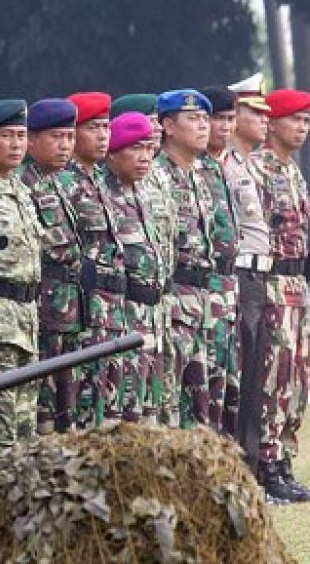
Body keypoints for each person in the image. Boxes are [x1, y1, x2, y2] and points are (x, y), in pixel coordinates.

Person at [251, 88, 310, 503]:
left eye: (306, 122)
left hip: (297, 284)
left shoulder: (292, 170)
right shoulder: (260, 170)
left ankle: (284, 460)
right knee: (273, 375)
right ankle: (266, 464)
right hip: (272, 284)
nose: (303, 129)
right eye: (296, 120)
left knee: (297, 377)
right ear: (272, 123)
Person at [0, 99, 42, 450]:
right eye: (7, 135)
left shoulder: (22, 189)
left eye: (21, 135)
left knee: (24, 428)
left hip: (27, 320)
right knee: (1, 429)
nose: (17, 144)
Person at [150, 89, 216, 431]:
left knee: (202, 404)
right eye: (193, 119)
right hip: (174, 302)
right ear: (168, 127)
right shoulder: (157, 176)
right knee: (170, 402)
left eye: (205, 119)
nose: (203, 126)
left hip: (202, 304)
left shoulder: (200, 176)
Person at [18, 98, 83, 433]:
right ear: (32, 140)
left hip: (73, 309)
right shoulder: (23, 184)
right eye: (56, 137)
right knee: (42, 403)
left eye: (69, 137)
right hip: (43, 309)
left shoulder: (69, 183)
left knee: (72, 402)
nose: (65, 145)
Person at [65, 91, 128, 426]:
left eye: (106, 128)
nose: (104, 136)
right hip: (82, 309)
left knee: (107, 400)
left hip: (110, 309)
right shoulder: (66, 183)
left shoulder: (102, 182)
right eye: (94, 128)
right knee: (81, 403)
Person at [224, 74, 273, 478]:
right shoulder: (224, 164)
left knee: (256, 379)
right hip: (239, 277)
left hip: (260, 278)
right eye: (255, 113)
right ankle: (242, 467)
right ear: (235, 115)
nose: (264, 121)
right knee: (239, 379)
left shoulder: (250, 166)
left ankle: (255, 468)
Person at [103, 113, 166, 425]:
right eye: (134, 148)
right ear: (113, 153)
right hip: (121, 320)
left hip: (151, 319)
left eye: (148, 147)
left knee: (148, 412)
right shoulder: (102, 195)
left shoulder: (142, 194)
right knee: (120, 416)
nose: (145, 156)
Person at [199, 86, 241, 435]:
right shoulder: (194, 169)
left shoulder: (226, 166)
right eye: (217, 119)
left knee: (229, 385)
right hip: (203, 288)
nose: (225, 127)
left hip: (229, 288)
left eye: (231, 119)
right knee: (205, 386)